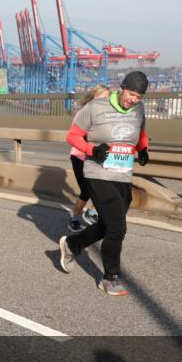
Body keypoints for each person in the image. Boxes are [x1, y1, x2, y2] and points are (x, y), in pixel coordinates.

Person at [58, 71, 150, 297]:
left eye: (139, 96)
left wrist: (143, 149)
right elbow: (73, 136)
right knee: (118, 228)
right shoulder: (95, 107)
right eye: (131, 94)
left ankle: (72, 245)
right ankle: (110, 278)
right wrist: (92, 150)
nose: (134, 100)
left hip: (123, 174)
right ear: (122, 88)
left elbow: (142, 133)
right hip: (98, 172)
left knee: (110, 224)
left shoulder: (138, 109)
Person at [67, 85, 110, 233]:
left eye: (107, 98)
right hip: (80, 156)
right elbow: (75, 136)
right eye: (101, 98)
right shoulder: (84, 113)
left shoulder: (108, 115)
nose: (104, 101)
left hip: (97, 157)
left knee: (102, 188)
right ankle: (74, 219)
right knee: (86, 190)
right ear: (92, 99)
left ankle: (91, 212)